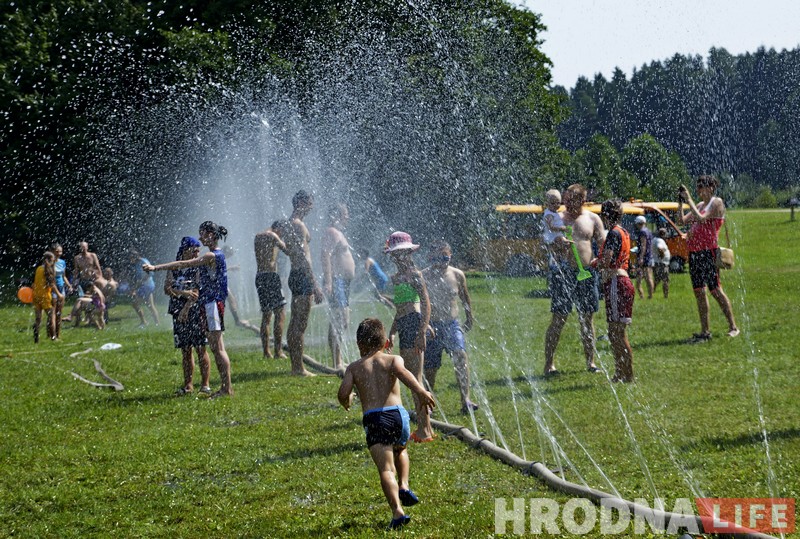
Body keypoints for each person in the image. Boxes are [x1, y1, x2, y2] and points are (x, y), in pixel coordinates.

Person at [337, 318, 436, 530]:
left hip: (375, 419)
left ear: (359, 345)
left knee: (386, 469)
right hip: (398, 417)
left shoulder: (354, 367)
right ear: (385, 343)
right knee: (401, 450)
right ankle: (404, 484)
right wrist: (421, 392)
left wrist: (347, 400)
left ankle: (398, 512)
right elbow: (405, 374)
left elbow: (343, 393)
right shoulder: (393, 360)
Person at [143, 221, 233, 398]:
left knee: (217, 349)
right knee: (216, 348)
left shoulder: (211, 256)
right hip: (210, 304)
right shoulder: (214, 255)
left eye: (202, 234)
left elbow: (184, 264)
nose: (200, 238)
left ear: (211, 235)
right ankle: (224, 388)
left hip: (212, 304)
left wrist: (156, 268)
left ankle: (226, 389)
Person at [543, 184, 606, 376]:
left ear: (582, 201)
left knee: (587, 318)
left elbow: (602, 242)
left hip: (586, 273)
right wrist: (555, 242)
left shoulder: (592, 218)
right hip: (563, 273)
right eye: (566, 200)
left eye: (571, 201)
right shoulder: (557, 218)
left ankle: (591, 362)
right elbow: (545, 241)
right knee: (559, 318)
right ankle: (549, 364)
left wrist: (599, 260)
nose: (567, 204)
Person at [385, 231, 434, 442]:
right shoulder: (396, 278)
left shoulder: (415, 274)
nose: (399, 258)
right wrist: (392, 331)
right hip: (405, 324)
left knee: (415, 379)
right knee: (412, 379)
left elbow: (425, 303)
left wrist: (422, 330)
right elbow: (401, 308)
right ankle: (425, 427)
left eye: (403, 254)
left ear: (409, 253)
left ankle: (425, 429)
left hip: (414, 324)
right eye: (396, 255)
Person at [679, 175, 739, 341]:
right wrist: (680, 203)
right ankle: (705, 331)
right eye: (697, 187)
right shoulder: (699, 204)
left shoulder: (716, 202)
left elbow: (701, 218)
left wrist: (689, 198)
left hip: (708, 252)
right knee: (699, 291)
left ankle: (733, 326)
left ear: (711, 188)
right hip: (695, 253)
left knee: (715, 290)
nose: (698, 190)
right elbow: (682, 220)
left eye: (701, 187)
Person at [421, 241, 478, 413]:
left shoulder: (457, 275)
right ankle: (427, 401)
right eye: (438, 257)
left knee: (461, 356)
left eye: (445, 257)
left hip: (452, 324)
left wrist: (469, 317)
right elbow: (420, 303)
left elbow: (464, 298)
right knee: (431, 367)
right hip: (432, 325)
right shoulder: (423, 276)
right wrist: (422, 326)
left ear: (450, 255)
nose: (442, 261)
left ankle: (465, 400)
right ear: (431, 257)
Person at [283, 190, 324, 376]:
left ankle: (296, 366)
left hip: (296, 273)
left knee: (295, 323)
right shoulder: (297, 225)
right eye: (309, 203)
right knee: (300, 323)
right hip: (302, 275)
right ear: (301, 203)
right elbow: (302, 256)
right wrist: (315, 283)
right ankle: (298, 368)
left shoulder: (289, 224)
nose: (312, 207)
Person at [594, 200, 634, 382]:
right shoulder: (624, 232)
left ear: (606, 215)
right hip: (624, 280)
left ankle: (627, 374)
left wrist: (596, 263)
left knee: (616, 333)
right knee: (616, 332)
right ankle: (621, 373)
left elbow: (608, 259)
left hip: (616, 282)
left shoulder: (612, 234)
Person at [165, 237, 211, 396]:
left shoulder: (199, 267)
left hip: (195, 310)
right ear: (186, 250)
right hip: (178, 312)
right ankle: (188, 385)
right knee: (185, 350)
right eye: (195, 250)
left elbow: (196, 292)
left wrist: (186, 307)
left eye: (198, 251)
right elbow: (167, 288)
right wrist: (183, 292)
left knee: (200, 348)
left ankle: (205, 385)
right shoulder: (174, 267)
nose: (198, 253)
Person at [321, 203, 356, 369]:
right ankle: (337, 361)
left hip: (342, 282)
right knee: (339, 319)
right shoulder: (332, 232)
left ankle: (339, 358)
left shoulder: (339, 233)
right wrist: (328, 281)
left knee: (342, 320)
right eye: (345, 213)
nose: (347, 217)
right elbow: (325, 254)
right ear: (336, 215)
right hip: (336, 281)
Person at [254, 221, 289, 359]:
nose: (283, 235)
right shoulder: (273, 236)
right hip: (270, 276)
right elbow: (287, 250)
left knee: (266, 315)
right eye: (283, 232)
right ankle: (278, 351)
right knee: (280, 313)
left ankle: (266, 352)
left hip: (260, 276)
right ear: (278, 228)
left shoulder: (258, 236)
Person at [222, 245, 260, 334]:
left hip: (220, 284)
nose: (229, 257)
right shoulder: (219, 257)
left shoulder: (221, 258)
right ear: (226, 252)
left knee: (232, 300)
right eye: (229, 255)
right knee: (230, 300)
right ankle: (237, 321)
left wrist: (231, 268)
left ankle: (237, 320)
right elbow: (217, 270)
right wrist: (232, 268)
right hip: (217, 284)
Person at [32, 251, 62, 342]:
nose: (54, 262)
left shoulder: (38, 269)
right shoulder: (48, 270)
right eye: (53, 260)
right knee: (51, 317)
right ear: (49, 260)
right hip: (45, 297)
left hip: (36, 295)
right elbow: (52, 285)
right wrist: (59, 294)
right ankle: (53, 338)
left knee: (38, 318)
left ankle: (36, 337)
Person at [128, 249, 160, 327]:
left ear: (134, 257)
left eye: (130, 257)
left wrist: (139, 283)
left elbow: (150, 273)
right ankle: (157, 323)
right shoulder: (138, 263)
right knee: (150, 305)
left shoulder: (142, 262)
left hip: (146, 285)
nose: (130, 259)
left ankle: (145, 322)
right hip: (146, 285)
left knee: (135, 304)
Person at [50, 243, 72, 339]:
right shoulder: (49, 262)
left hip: (61, 288)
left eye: (61, 251)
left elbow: (63, 276)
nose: (59, 253)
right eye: (57, 251)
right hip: (52, 289)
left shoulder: (62, 262)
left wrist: (69, 285)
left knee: (59, 313)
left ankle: (58, 335)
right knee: (53, 313)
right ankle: (52, 335)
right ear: (52, 251)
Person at [634, 215, 655, 300]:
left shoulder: (642, 232)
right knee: (648, 277)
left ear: (638, 223)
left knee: (644, 278)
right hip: (649, 256)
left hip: (644, 257)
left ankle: (646, 296)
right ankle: (649, 295)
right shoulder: (649, 231)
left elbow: (643, 245)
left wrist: (641, 257)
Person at [652, 228, 671, 298]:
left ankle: (651, 292)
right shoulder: (659, 240)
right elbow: (659, 248)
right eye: (665, 234)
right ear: (663, 234)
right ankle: (666, 296)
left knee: (657, 279)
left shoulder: (656, 239)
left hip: (659, 262)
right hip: (662, 263)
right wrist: (662, 256)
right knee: (665, 280)